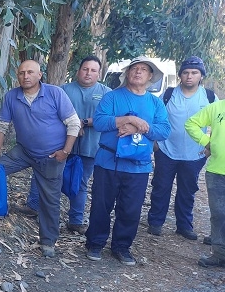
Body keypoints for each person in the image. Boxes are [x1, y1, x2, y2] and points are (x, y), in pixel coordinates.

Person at [0, 60, 81, 258]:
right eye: (22, 73)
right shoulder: (12, 96)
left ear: (40, 75)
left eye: (30, 72)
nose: (25, 76)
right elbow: (1, 126)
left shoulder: (55, 93)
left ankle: (48, 241)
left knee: (49, 200)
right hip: (24, 151)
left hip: (51, 155)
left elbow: (74, 123)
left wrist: (65, 151)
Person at [85, 56, 171, 265]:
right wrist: (129, 119)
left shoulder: (155, 103)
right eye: (134, 68)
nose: (138, 72)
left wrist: (140, 127)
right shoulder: (112, 97)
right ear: (127, 73)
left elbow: (164, 130)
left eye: (143, 69)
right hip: (108, 162)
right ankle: (95, 243)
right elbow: (99, 122)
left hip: (138, 167)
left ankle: (122, 247)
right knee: (100, 205)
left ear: (150, 76)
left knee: (131, 209)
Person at [24, 55, 111, 232]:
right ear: (79, 70)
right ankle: (33, 206)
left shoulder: (107, 94)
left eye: (93, 70)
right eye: (85, 69)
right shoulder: (63, 90)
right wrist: (70, 125)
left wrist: (83, 123)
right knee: (45, 174)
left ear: (99, 73)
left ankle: (76, 220)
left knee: (81, 182)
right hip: (59, 142)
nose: (88, 73)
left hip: (90, 145)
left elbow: (108, 119)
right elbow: (50, 113)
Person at [147, 56, 217, 240]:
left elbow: (218, 125)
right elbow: (155, 117)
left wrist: (211, 146)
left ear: (201, 76)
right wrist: (155, 142)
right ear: (180, 75)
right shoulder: (169, 94)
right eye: (185, 72)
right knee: (161, 187)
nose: (189, 76)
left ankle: (184, 225)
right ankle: (155, 222)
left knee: (188, 190)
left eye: (194, 73)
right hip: (166, 150)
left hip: (195, 154)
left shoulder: (210, 97)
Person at [185, 99, 225, 267]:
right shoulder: (217, 107)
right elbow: (191, 123)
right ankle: (220, 254)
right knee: (219, 215)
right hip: (217, 172)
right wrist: (207, 142)